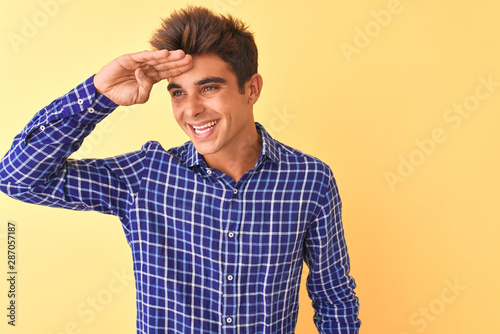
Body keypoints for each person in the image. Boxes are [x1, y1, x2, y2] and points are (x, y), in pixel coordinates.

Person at [0, 6, 360, 334]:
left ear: (251, 89)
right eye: (178, 93)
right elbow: (18, 178)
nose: (191, 110)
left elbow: (335, 299)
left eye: (209, 88)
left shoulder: (309, 180)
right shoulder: (146, 177)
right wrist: (99, 94)